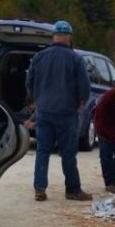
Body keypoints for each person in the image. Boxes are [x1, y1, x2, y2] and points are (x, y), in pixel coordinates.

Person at [25, 20, 92, 202]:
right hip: (66, 112)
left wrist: (35, 100)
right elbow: (84, 85)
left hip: (44, 111)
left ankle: (40, 188)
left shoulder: (39, 57)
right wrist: (81, 102)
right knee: (68, 152)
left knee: (43, 151)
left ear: (54, 36)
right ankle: (72, 190)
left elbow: (29, 81)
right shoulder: (75, 59)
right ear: (69, 36)